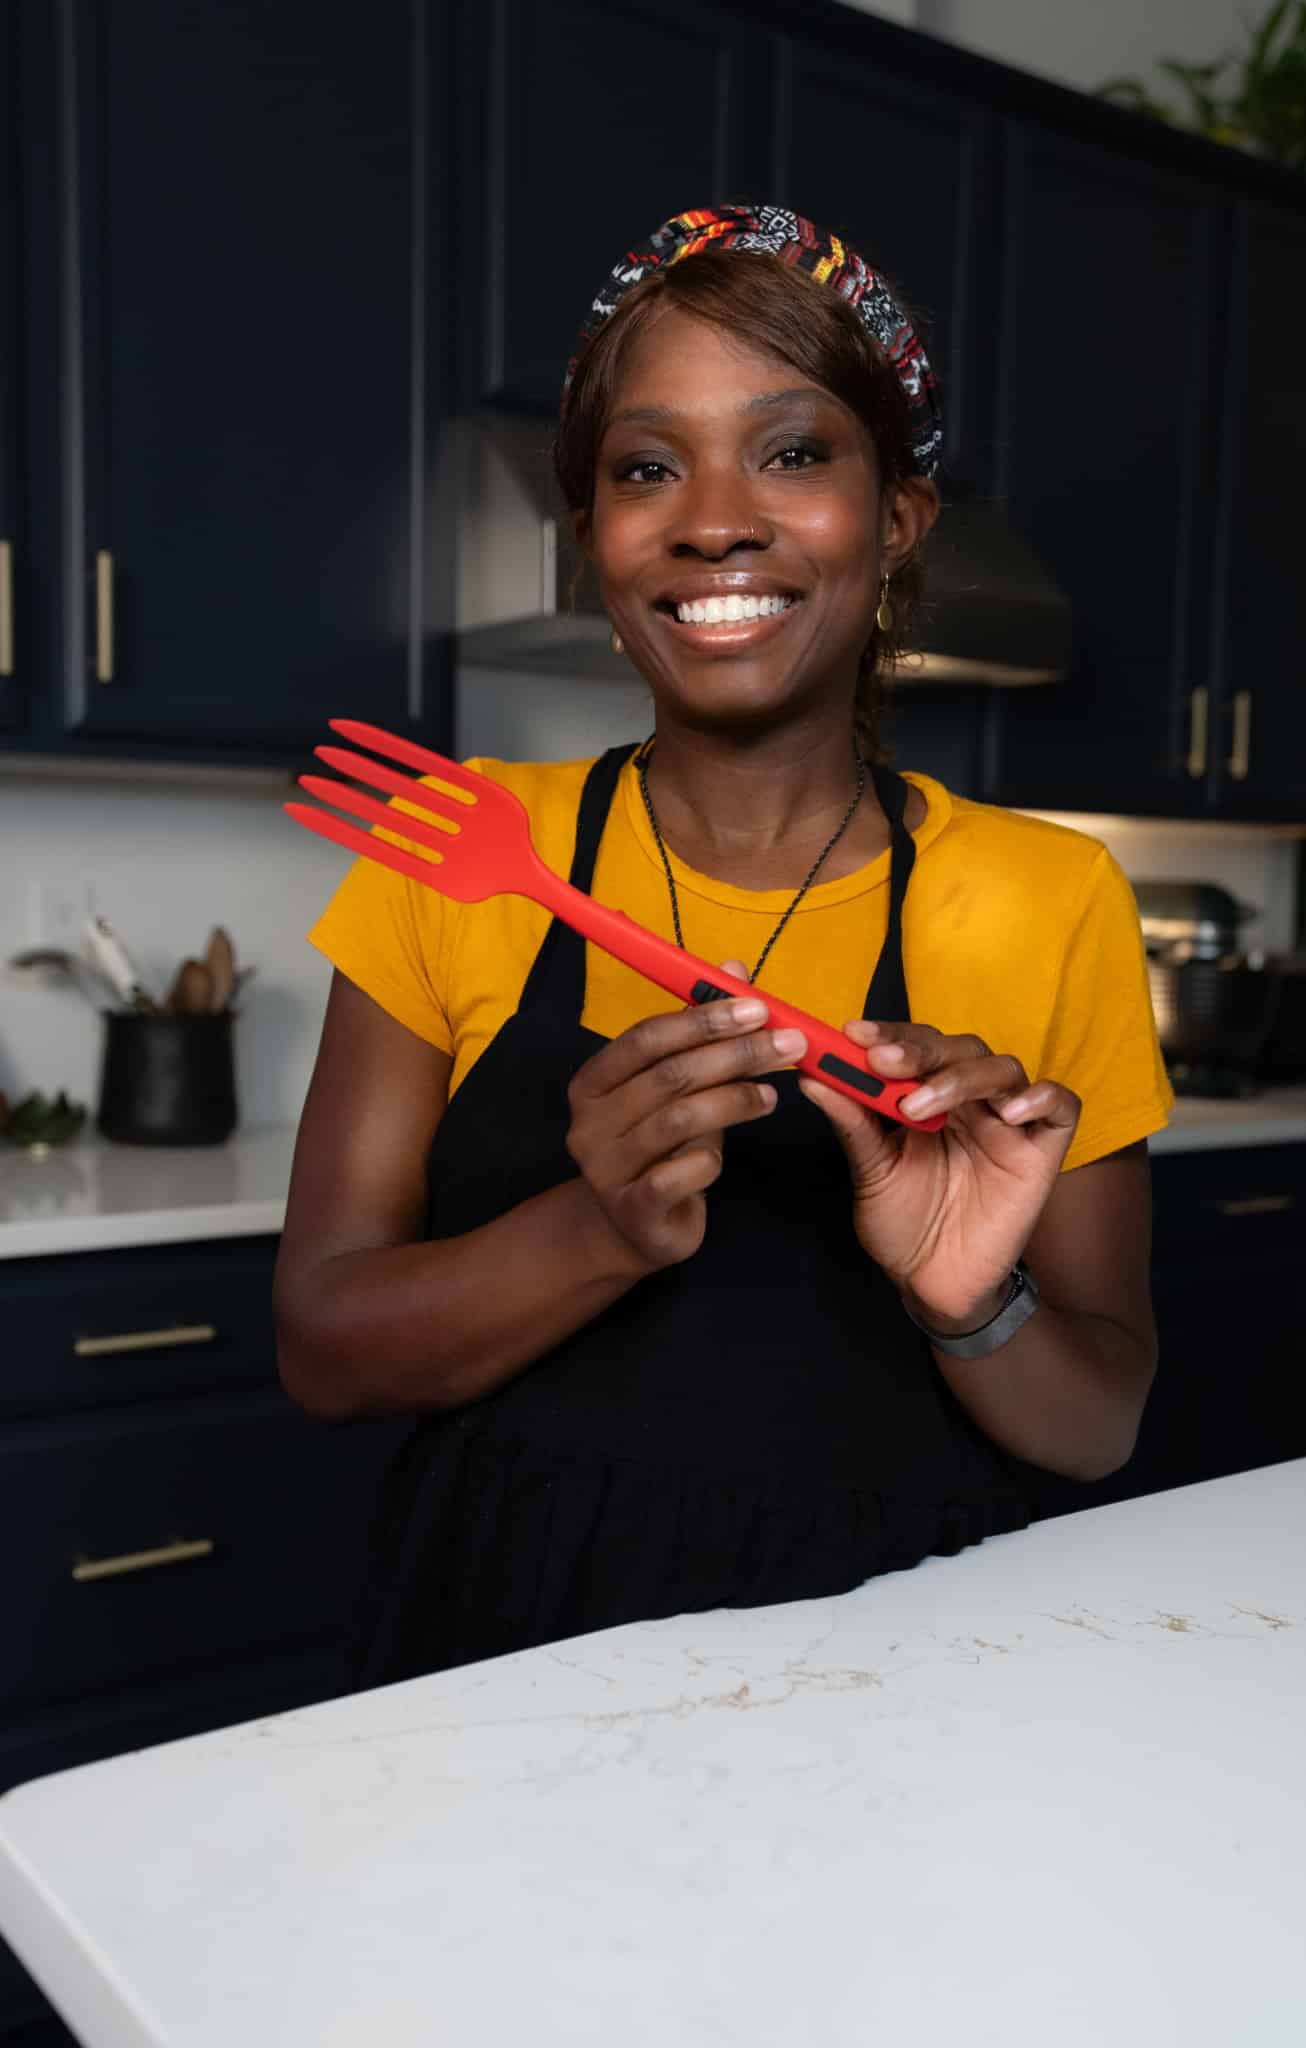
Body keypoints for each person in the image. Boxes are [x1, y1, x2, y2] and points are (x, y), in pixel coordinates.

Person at [274, 202, 1173, 1688]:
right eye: (646, 467)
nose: (713, 517)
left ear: (899, 518)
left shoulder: (1049, 894)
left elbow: (1099, 1426)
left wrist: (968, 1299)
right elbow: (324, 1354)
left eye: (794, 452)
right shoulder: (454, 854)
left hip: (916, 1661)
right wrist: (600, 1229)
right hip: (506, 1643)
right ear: (593, 541)